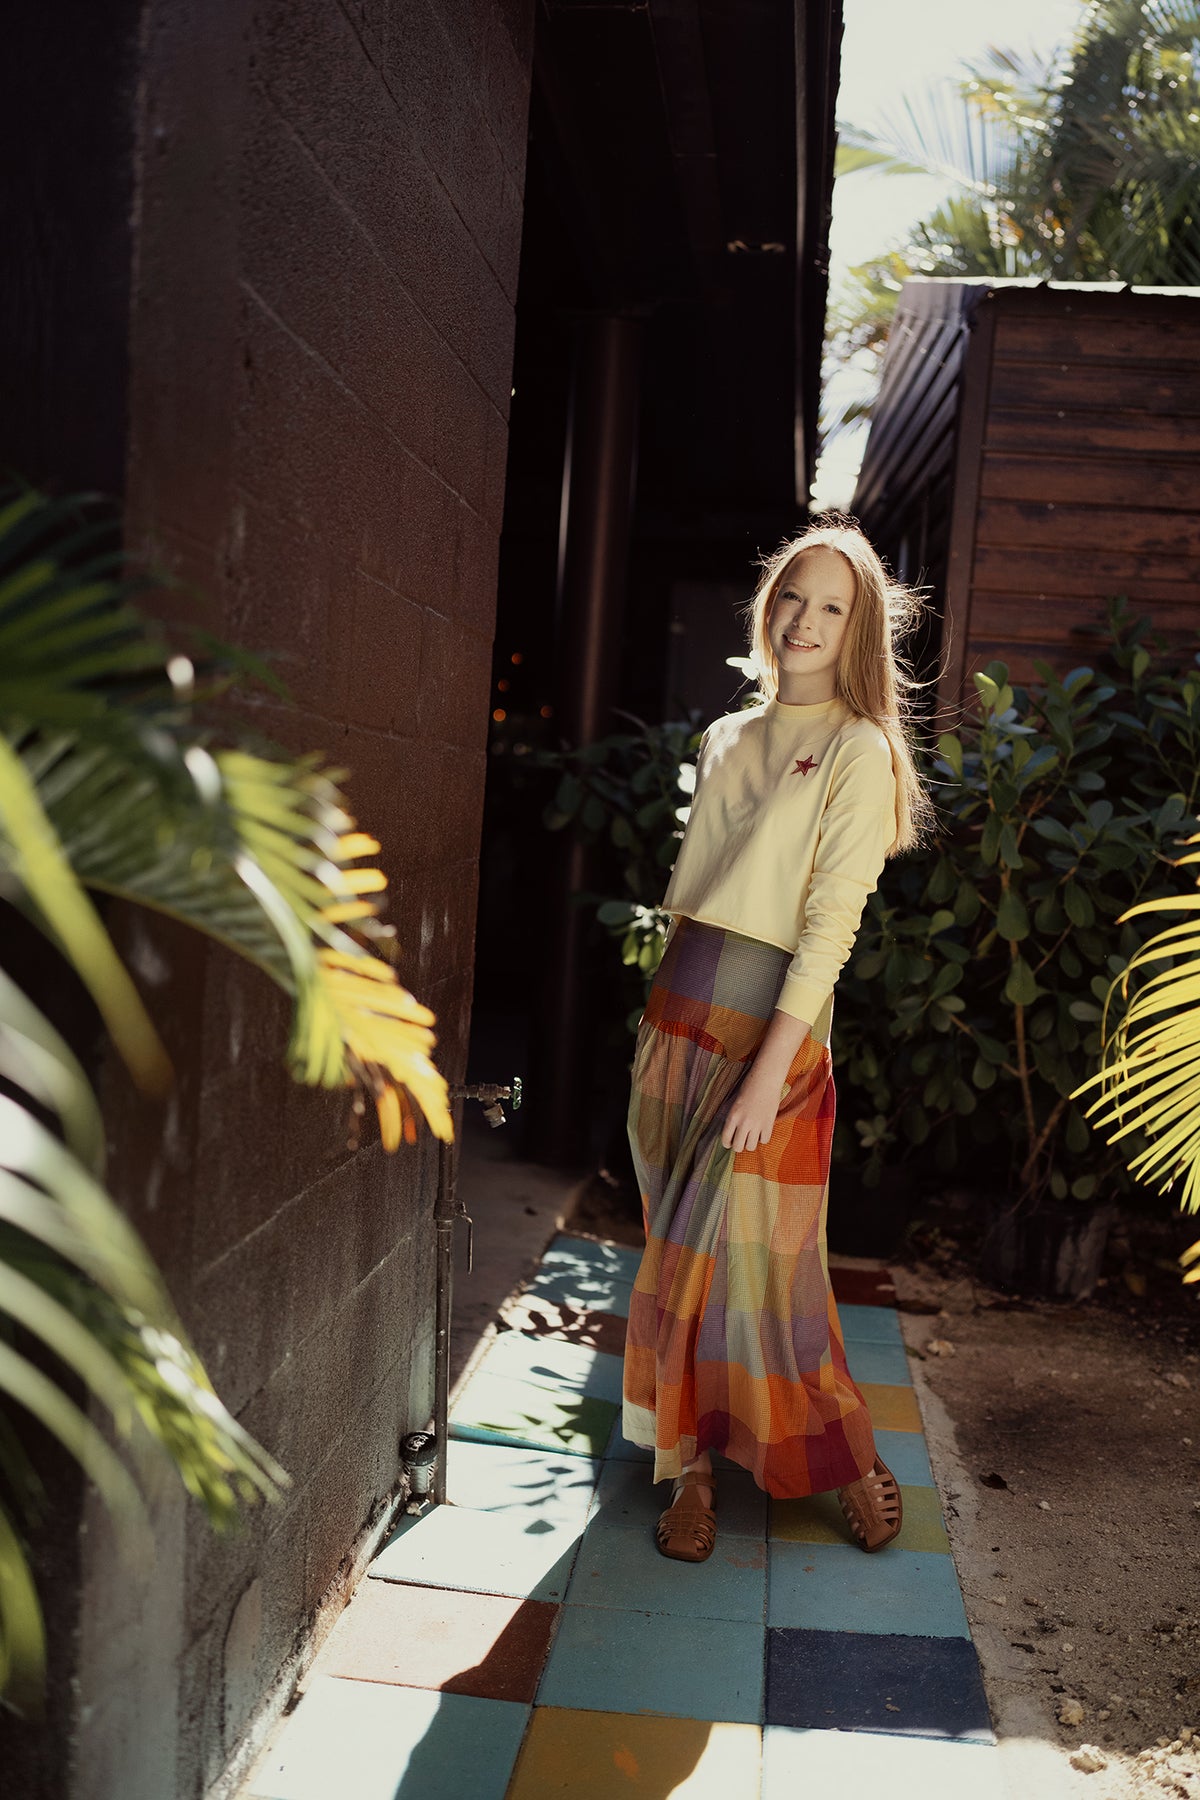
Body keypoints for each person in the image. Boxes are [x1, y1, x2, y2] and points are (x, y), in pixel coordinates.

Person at [621, 517, 933, 1563]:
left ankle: (843, 1454)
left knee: (773, 1273)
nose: (804, 619)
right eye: (793, 596)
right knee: (677, 1263)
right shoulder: (726, 737)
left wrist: (769, 1074)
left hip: (773, 1034)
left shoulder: (860, 749)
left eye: (831, 606)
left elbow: (828, 928)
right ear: (769, 605)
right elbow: (699, 897)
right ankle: (692, 1471)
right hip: (677, 1016)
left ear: (858, 631)